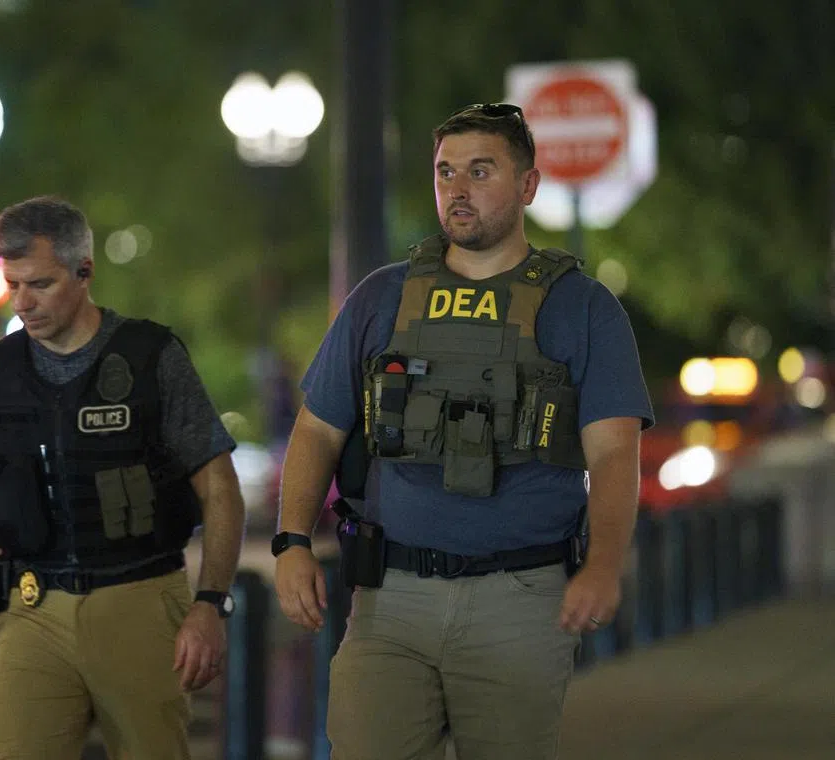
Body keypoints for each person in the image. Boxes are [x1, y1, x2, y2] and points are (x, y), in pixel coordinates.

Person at [271, 103, 654, 760]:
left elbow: (616, 453)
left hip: (521, 599)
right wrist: (291, 541)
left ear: (528, 185)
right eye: (446, 172)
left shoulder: (583, 307)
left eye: (481, 171)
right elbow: (317, 429)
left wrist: (603, 566)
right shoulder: (381, 297)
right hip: (390, 598)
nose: (458, 189)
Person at [0, 196, 246, 760]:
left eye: (40, 284)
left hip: (140, 601)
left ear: (84, 272)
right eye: (12, 285)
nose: (23, 303)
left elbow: (220, 487)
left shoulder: (150, 356)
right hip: (30, 607)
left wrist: (210, 604)